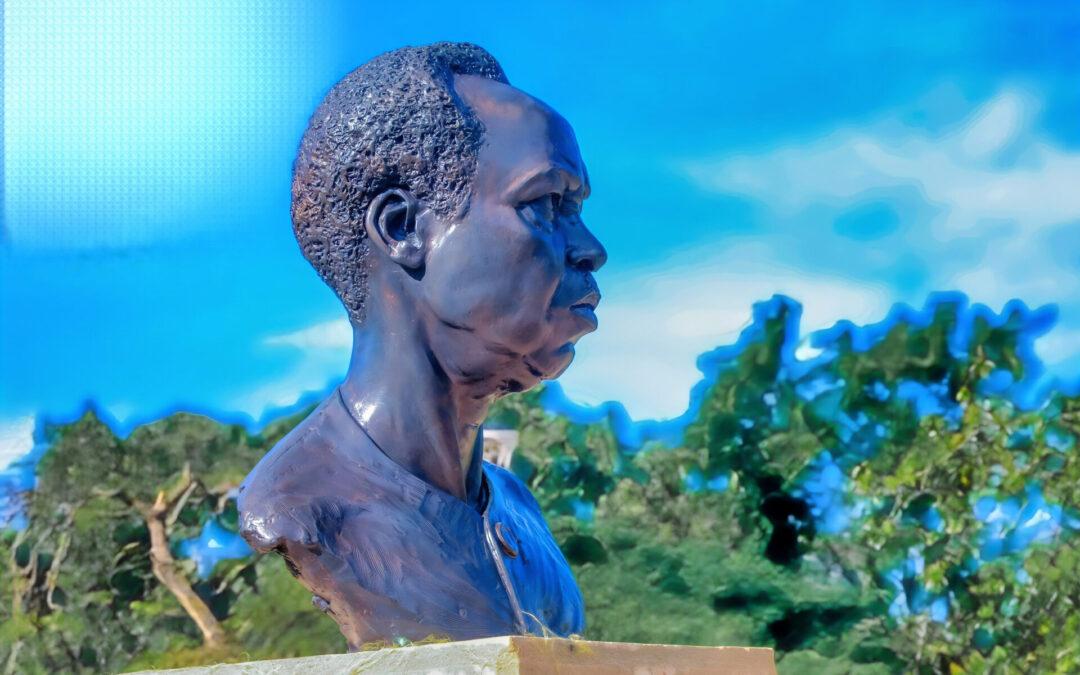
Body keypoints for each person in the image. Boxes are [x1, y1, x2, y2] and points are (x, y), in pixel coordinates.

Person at [238, 42, 607, 649]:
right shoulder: (303, 508)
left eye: (577, 208)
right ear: (403, 229)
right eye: (545, 204)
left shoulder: (518, 510)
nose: (591, 247)